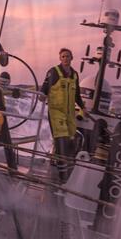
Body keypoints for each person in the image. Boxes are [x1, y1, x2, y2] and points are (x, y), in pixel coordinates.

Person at [40, 48, 85, 184]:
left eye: (68, 56)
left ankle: (67, 170)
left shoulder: (75, 75)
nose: (65, 58)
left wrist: (83, 108)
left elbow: (77, 95)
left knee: (73, 141)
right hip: (56, 112)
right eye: (63, 56)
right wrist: (42, 96)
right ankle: (62, 177)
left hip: (70, 114)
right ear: (60, 58)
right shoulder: (53, 72)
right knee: (62, 140)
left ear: (72, 58)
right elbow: (44, 89)